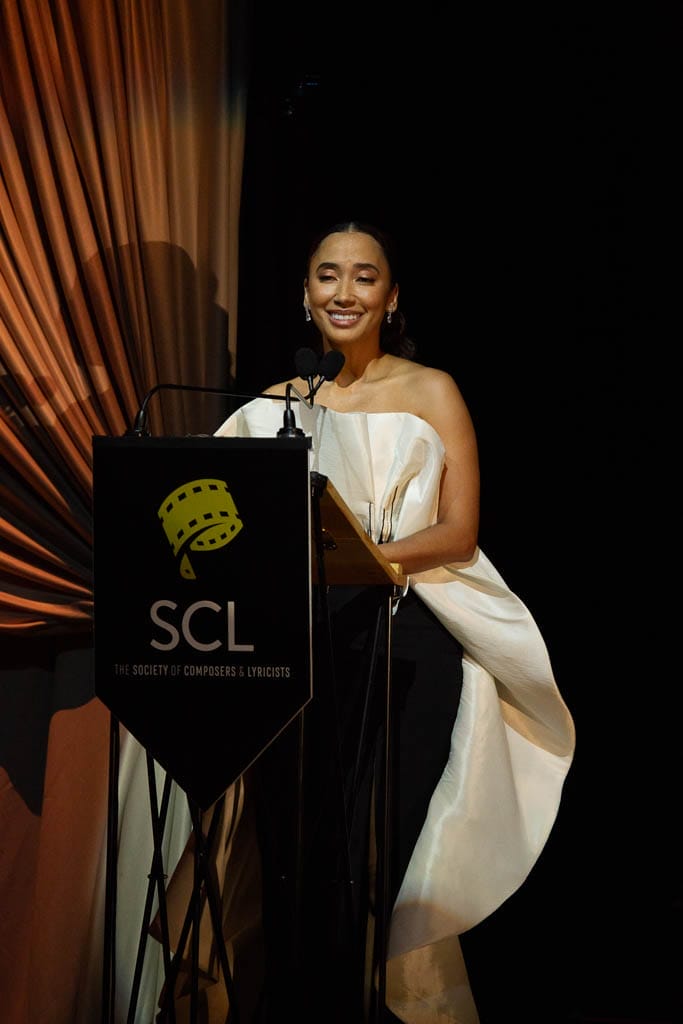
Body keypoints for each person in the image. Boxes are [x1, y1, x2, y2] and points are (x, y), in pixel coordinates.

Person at [155, 221, 575, 1024]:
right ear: (304, 293)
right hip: (296, 644)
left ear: (391, 297)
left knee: (375, 847)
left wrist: (365, 556)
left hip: (406, 634)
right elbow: (225, 524)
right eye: (327, 275)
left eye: (363, 277)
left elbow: (457, 533)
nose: (343, 292)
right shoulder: (273, 406)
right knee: (290, 845)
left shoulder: (431, 389)